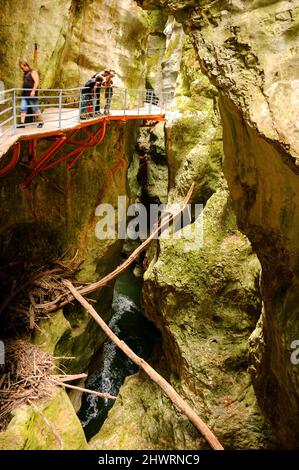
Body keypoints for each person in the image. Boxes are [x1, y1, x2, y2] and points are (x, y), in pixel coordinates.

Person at [18, 59, 43, 128]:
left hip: (32, 94)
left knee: (35, 108)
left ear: (26, 65)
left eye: (22, 68)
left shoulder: (33, 72)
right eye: (21, 68)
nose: (22, 69)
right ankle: (22, 123)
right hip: (25, 94)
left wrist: (33, 91)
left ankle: (41, 122)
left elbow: (36, 82)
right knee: (23, 108)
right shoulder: (25, 73)